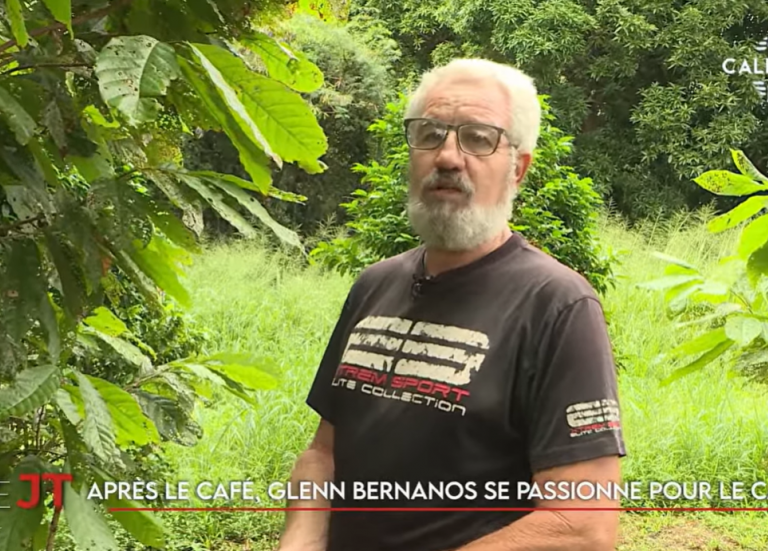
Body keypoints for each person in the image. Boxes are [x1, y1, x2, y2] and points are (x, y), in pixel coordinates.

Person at [276, 58, 626, 551]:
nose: (447, 156)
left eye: (479, 138)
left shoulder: (558, 305)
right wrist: (300, 540)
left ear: (518, 168)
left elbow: (582, 525)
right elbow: (323, 454)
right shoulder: (375, 285)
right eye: (430, 133)